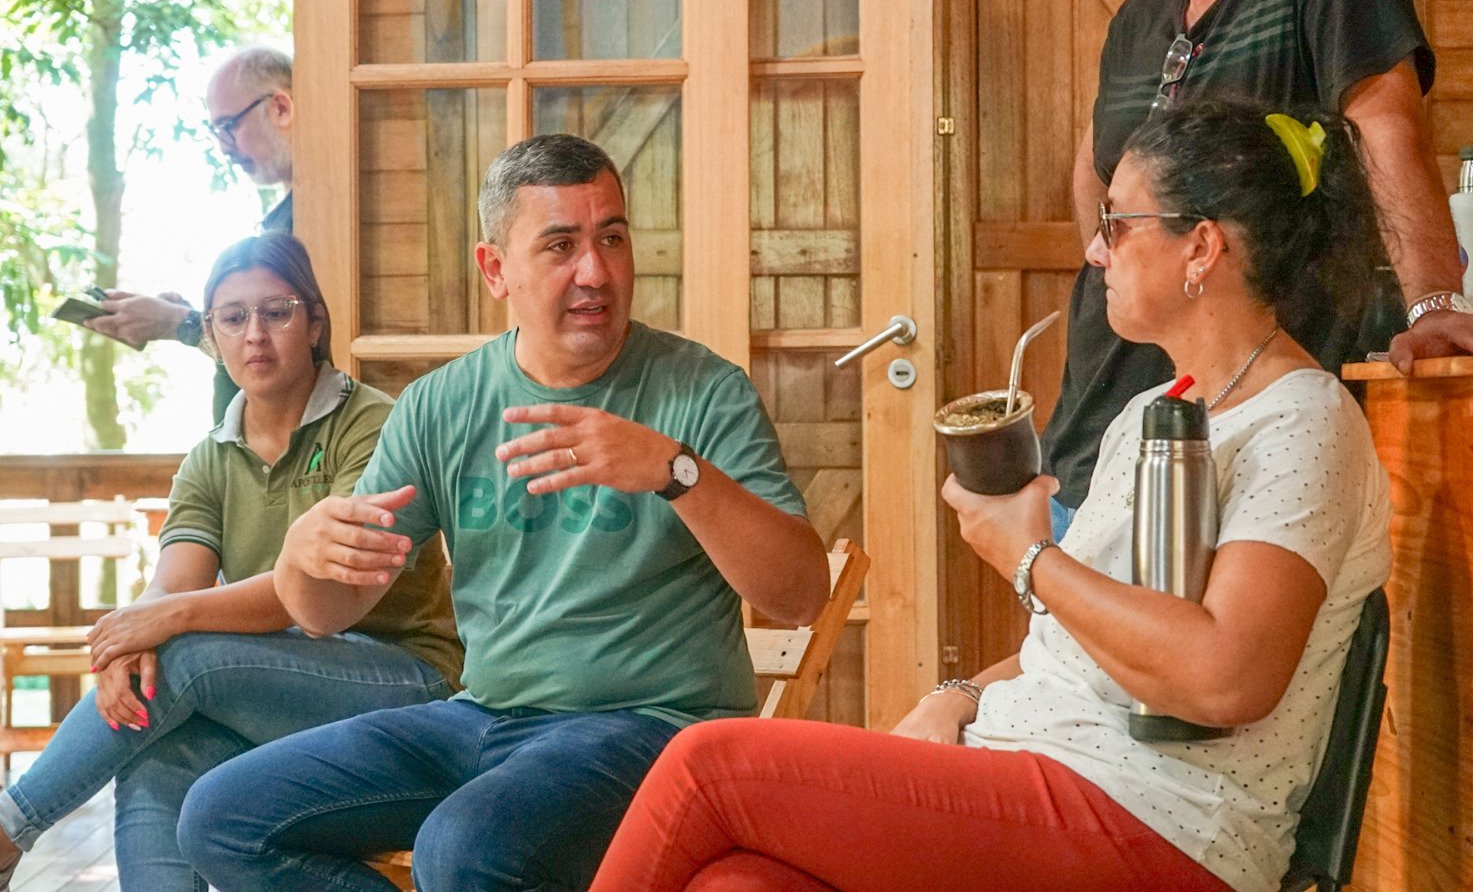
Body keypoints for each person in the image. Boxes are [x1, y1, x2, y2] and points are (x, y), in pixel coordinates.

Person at [590, 100, 1393, 892]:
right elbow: (1078, 648)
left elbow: (1227, 678)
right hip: (1045, 768)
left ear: (1202, 247)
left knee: (706, 767)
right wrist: (963, 694)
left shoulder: (1302, 421)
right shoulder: (1155, 411)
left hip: (1167, 821)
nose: (1095, 250)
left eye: (1116, 224)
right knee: (738, 884)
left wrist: (1030, 557)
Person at [172, 134, 831, 891]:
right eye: (561, 246)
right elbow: (328, 612)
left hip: (655, 727)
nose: (596, 272)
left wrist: (674, 472)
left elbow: (801, 594)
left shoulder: (705, 391)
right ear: (495, 270)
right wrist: (300, 557)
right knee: (221, 816)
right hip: (481, 717)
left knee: (464, 848)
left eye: (612, 239)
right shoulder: (440, 404)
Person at [0, 232, 461, 892]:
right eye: (233, 317)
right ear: (212, 334)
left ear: (314, 323)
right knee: (155, 746)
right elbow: (172, 586)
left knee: (184, 656)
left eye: (275, 313)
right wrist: (128, 648)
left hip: (407, 680)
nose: (254, 335)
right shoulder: (209, 460)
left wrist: (164, 623)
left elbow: (315, 592)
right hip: (279, 685)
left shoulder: (372, 424)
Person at [1042, 0, 1473, 540]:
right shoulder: (1137, 19)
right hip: (1096, 427)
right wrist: (1119, 254)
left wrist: (1434, 301)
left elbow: (1386, 128)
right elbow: (1094, 168)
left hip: (1244, 442)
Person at [84, 45, 297, 423]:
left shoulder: (315, 219)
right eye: (216, 131)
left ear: (280, 108)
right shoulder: (285, 214)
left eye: (229, 126)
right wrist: (198, 318)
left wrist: (180, 323)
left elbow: (293, 355)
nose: (224, 148)